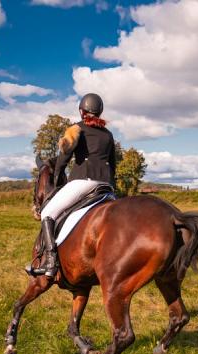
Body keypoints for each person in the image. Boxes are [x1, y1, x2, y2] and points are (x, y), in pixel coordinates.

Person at [34, 93, 116, 278]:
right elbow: (113, 163)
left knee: (47, 213)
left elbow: (64, 158)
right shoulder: (108, 135)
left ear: (81, 111)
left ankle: (50, 260)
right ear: (100, 111)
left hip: (83, 182)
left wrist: (56, 176)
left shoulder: (75, 129)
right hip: (106, 186)